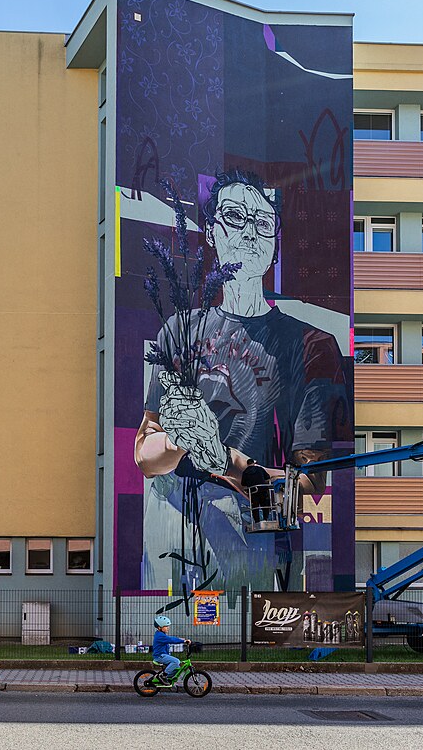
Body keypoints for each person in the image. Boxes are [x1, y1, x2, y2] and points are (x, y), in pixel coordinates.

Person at [136, 167, 351, 590]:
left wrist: (224, 459)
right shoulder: (179, 331)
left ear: (275, 245)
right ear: (211, 233)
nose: (250, 231)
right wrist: (181, 439)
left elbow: (308, 485)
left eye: (263, 222)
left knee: (244, 626)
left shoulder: (312, 346)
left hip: (258, 540)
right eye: (235, 216)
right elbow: (145, 454)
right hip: (173, 531)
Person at [152, 615, 190, 685]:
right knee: (176, 661)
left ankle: (166, 679)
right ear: (159, 627)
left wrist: (181, 640)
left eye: (168, 626)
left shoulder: (161, 634)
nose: (168, 628)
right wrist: (183, 641)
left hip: (163, 655)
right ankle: (163, 676)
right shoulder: (160, 636)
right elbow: (171, 639)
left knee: (176, 668)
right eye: (166, 626)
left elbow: (170, 639)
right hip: (160, 656)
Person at [241, 458, 271, 525]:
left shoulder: (245, 472)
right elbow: (267, 477)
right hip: (263, 490)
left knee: (255, 507)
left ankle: (257, 521)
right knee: (265, 505)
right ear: (253, 463)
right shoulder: (260, 469)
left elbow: (243, 483)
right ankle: (265, 519)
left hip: (253, 492)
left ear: (247, 464)